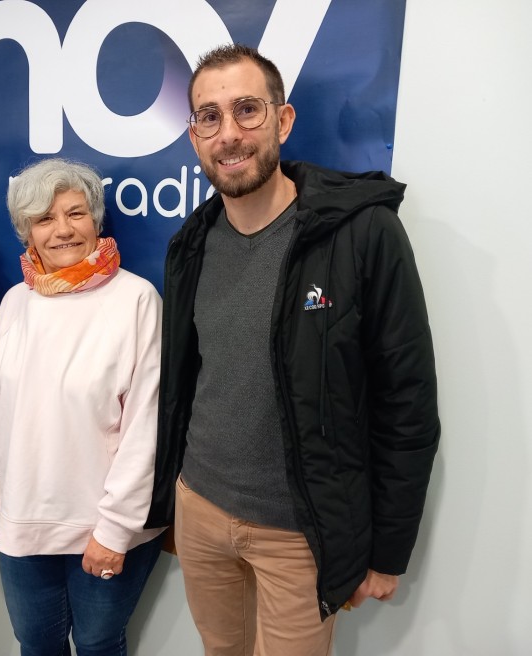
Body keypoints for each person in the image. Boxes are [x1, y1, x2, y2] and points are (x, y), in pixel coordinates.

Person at [145, 44, 440, 655]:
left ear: (282, 121)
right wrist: (172, 500)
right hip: (200, 510)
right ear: (194, 137)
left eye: (247, 110)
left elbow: (406, 402)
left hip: (299, 533)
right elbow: (183, 385)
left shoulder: (362, 233)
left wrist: (387, 550)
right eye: (209, 117)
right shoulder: (190, 245)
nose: (229, 134)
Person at [0, 158, 165, 656]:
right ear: (27, 234)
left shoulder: (137, 300)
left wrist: (115, 530)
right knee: (36, 642)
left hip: (103, 523)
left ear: (95, 220)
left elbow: (146, 428)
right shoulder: (15, 302)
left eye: (75, 213)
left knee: (98, 643)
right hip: (22, 515)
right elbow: (0, 405)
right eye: (44, 219)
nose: (62, 230)